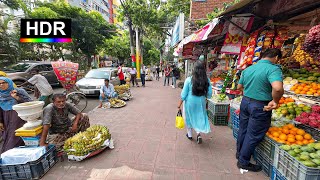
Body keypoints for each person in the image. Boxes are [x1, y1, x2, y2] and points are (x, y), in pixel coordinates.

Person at [236, 48, 284, 172]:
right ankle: (243, 161)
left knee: (243, 129)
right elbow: (278, 88)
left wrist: (250, 93)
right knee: (253, 134)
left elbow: (239, 86)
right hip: (260, 106)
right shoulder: (273, 69)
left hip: (245, 102)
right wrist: (275, 101)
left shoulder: (248, 69)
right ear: (276, 58)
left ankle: (239, 153)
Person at [177, 61, 213, 144]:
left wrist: (179, 104)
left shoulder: (189, 80)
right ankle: (198, 133)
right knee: (199, 117)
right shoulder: (207, 80)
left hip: (190, 102)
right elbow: (209, 94)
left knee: (189, 117)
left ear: (194, 69)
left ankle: (189, 135)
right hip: (201, 102)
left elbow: (183, 95)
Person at [0, 77, 32, 153]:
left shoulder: (19, 91)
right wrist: (0, 121)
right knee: (7, 136)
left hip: (18, 118)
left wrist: (17, 97)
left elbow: (30, 103)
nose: (1, 85)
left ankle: (8, 153)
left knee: (14, 136)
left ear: (9, 83)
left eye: (4, 83)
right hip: (5, 118)